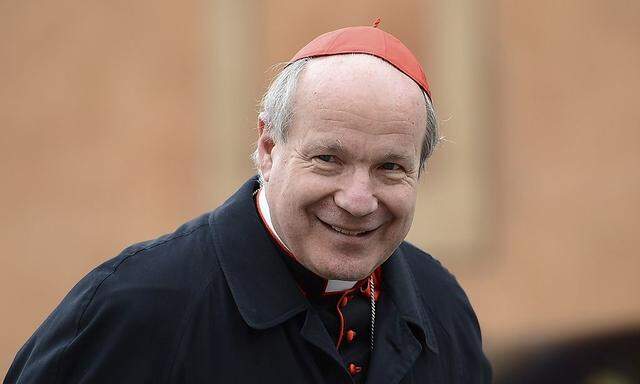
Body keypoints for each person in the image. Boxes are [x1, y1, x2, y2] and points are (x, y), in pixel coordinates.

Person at [4, 23, 492, 384]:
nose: (358, 200)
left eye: (391, 167)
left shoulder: (440, 305)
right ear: (268, 147)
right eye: (327, 158)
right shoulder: (137, 305)